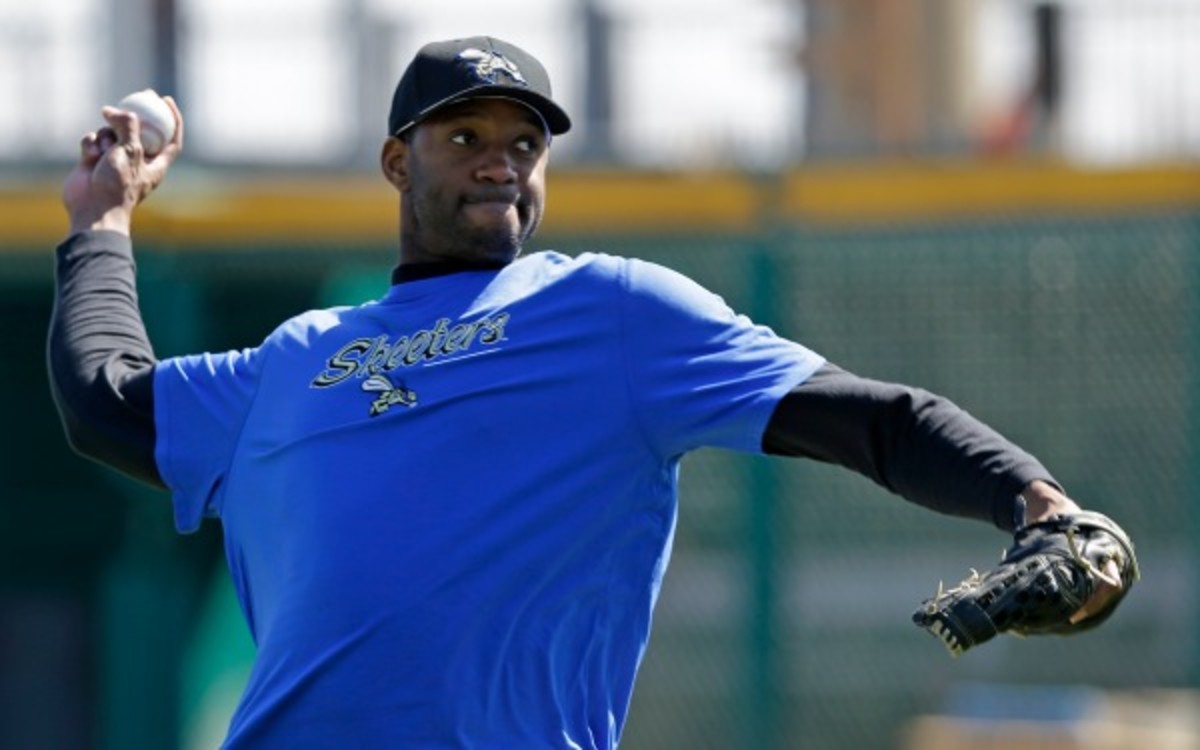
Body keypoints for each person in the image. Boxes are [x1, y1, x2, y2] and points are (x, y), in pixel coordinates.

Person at [49, 36, 1123, 749]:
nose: (499, 162)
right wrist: (101, 221)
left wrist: (1037, 505)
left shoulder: (613, 315)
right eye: (465, 137)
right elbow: (106, 400)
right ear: (395, 160)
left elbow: (869, 418)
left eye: (523, 143)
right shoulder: (293, 359)